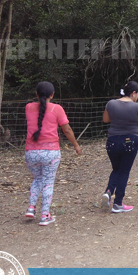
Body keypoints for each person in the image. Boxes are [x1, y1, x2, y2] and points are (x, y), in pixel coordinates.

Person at [24, 82, 81, 226]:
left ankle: (31, 207)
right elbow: (66, 129)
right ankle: (45, 215)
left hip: (31, 152)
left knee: (37, 179)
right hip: (50, 153)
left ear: (36, 94)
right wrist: (75, 144)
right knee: (48, 183)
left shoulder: (28, 107)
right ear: (52, 94)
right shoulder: (57, 109)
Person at [102, 81, 138, 213]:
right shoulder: (137, 107)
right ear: (133, 93)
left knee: (116, 169)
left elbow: (106, 119)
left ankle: (109, 191)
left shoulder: (111, 103)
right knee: (124, 171)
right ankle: (118, 203)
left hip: (112, 140)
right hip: (130, 141)